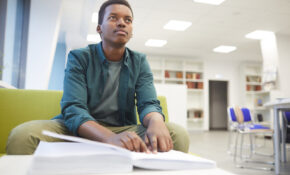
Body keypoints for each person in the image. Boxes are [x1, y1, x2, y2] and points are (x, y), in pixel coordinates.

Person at [6, 0, 189, 154]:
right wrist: (109, 138)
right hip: (79, 128)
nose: (122, 23)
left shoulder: (139, 61)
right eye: (113, 18)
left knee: (177, 134)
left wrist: (156, 121)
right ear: (99, 29)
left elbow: (148, 102)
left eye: (128, 20)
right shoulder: (79, 57)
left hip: (123, 128)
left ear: (131, 31)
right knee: (23, 135)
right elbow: (73, 109)